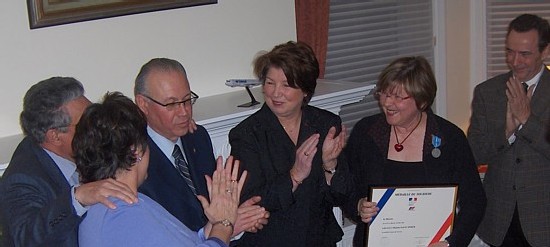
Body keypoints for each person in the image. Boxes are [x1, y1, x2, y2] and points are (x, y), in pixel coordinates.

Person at [344, 56, 486, 247]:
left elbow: (475, 201)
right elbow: (345, 187)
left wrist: (453, 243)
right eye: (385, 93)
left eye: (398, 97)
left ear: (422, 101)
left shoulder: (449, 138)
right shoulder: (366, 132)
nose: (387, 103)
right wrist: (358, 206)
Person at [75, 92, 246, 246]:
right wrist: (224, 224)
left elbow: (182, 240)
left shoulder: (130, 202)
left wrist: (212, 226)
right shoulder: (123, 214)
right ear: (137, 152)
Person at [228, 41, 353, 247]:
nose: (276, 93)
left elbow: (342, 195)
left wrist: (330, 166)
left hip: (320, 240)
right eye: (270, 83)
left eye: (286, 85)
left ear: (305, 90)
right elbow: (252, 201)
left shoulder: (326, 125)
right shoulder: (247, 135)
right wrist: (294, 176)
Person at [134, 58, 268, 236]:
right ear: (143, 104)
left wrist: (239, 216)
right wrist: (225, 227)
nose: (184, 112)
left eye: (187, 100)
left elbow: (214, 207)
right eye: (171, 104)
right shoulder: (134, 160)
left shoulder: (197, 137)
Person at [0, 77, 138, 246]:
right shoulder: (22, 179)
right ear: (55, 136)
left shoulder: (86, 146)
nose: (96, 127)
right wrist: (77, 198)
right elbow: (27, 238)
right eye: (86, 123)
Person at [468, 14, 550, 247]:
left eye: (525, 54)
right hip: (499, 222)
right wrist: (506, 132)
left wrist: (527, 119)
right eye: (509, 52)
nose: (515, 61)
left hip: (544, 222)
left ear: (545, 52)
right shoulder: (487, 92)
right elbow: (474, 153)